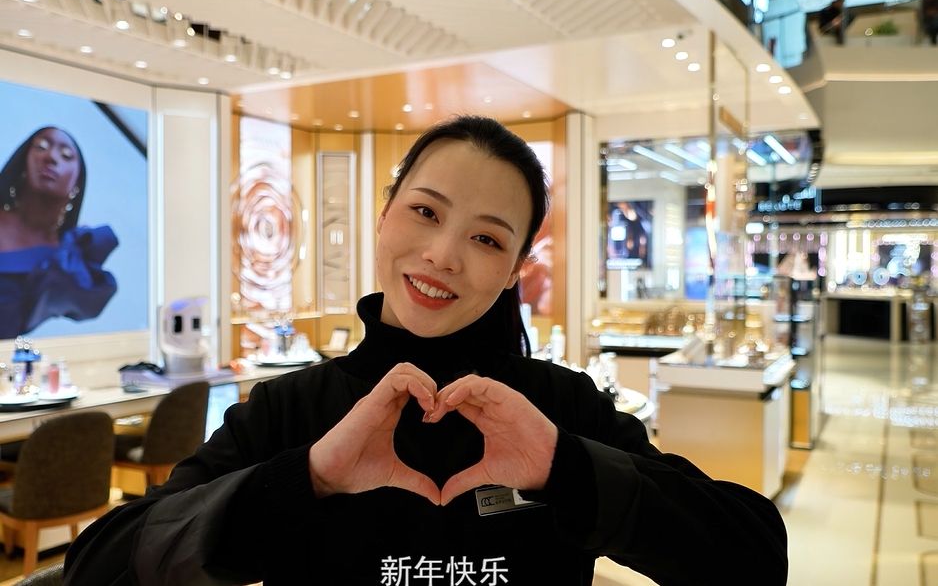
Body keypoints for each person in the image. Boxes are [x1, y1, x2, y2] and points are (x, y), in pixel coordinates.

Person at [63, 116, 787, 585]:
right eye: (425, 211)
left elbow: (754, 558)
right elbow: (98, 565)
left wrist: (566, 468)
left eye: (487, 238)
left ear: (515, 269)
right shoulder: (291, 410)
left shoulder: (563, 407)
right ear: (384, 217)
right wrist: (306, 478)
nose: (442, 254)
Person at [0, 126, 117, 338]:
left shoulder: (68, 261)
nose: (51, 157)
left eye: (66, 155)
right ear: (23, 163)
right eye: (41, 146)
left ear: (76, 184)